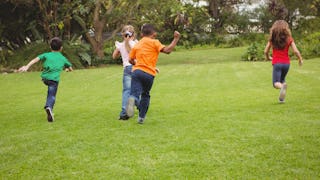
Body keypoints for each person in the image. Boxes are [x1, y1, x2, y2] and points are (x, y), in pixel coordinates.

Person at [126, 24, 180, 124]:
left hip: (137, 72)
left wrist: (137, 64)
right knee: (145, 95)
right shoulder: (155, 42)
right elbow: (167, 50)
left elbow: (130, 59)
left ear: (142, 34)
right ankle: (141, 118)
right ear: (154, 33)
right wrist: (176, 39)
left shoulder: (137, 44)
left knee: (134, 94)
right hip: (149, 74)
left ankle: (133, 100)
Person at [19, 37, 73, 122]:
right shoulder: (63, 58)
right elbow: (70, 68)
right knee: (51, 95)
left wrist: (27, 66)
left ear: (50, 47)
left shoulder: (46, 55)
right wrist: (67, 69)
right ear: (61, 48)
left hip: (45, 79)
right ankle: (49, 107)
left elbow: (36, 59)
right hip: (54, 80)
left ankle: (50, 109)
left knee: (49, 90)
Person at [264, 20, 303, 103]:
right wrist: (300, 59)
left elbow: (265, 51)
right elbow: (296, 51)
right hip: (286, 64)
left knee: (276, 83)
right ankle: (281, 99)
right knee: (282, 81)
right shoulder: (289, 39)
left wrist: (268, 57)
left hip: (277, 64)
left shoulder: (272, 39)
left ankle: (282, 87)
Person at [112, 25, 138, 120]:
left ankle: (123, 113)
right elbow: (133, 55)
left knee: (126, 91)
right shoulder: (135, 43)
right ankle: (138, 104)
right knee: (137, 90)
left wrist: (120, 48)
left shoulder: (121, 44)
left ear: (123, 35)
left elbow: (114, 56)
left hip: (127, 68)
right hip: (136, 67)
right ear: (133, 34)